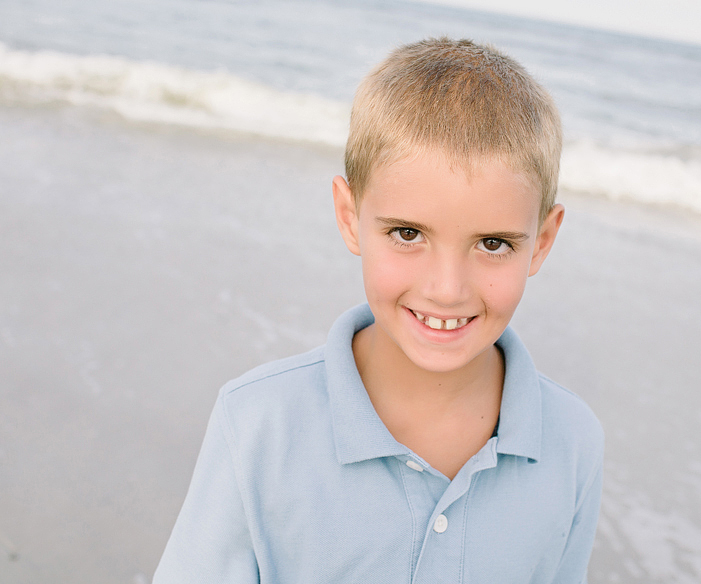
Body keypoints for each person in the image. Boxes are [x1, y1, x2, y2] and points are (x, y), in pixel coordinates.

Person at [153, 37, 604, 584]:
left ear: (543, 239)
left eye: (492, 244)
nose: (446, 289)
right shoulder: (256, 423)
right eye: (408, 234)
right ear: (349, 217)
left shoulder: (574, 440)